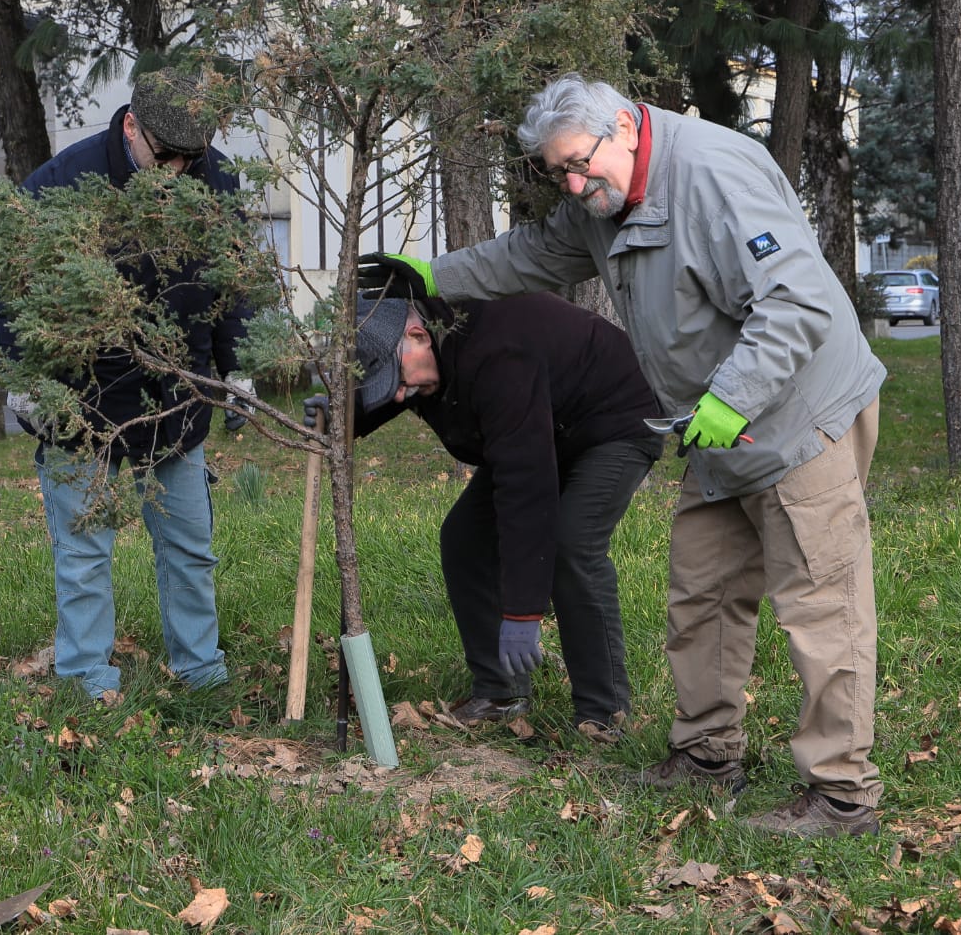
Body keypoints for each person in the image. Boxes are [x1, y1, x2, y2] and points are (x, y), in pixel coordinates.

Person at [358, 72, 887, 837]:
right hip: (716, 428)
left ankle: (842, 797)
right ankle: (707, 756)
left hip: (799, 414)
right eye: (558, 172)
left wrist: (731, 397)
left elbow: (797, 301)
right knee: (701, 594)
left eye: (580, 163)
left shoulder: (711, 174)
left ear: (627, 128)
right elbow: (532, 254)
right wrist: (435, 276)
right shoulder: (600, 201)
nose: (573, 184)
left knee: (821, 610)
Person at [0, 68, 253, 699]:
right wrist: (25, 377)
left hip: (179, 404)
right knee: (85, 558)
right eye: (163, 157)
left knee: (191, 551)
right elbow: (16, 291)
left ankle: (200, 672)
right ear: (131, 126)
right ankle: (87, 680)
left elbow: (232, 281)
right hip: (83, 409)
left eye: (187, 160)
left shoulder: (214, 179)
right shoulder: (61, 184)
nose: (174, 172)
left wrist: (237, 363)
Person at [307, 294, 664, 738]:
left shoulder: (497, 359)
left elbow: (526, 488)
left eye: (395, 380)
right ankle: (500, 689)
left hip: (612, 422)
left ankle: (604, 713)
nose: (399, 395)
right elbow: (397, 389)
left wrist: (522, 612)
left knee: (573, 544)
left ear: (418, 336)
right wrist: (344, 411)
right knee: (465, 538)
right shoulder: (426, 353)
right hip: (542, 425)